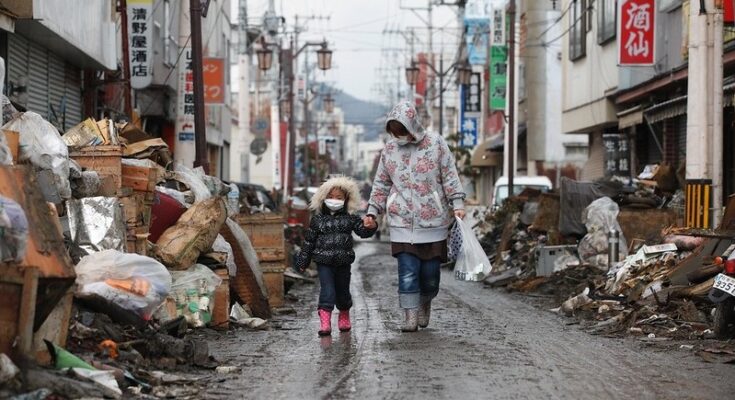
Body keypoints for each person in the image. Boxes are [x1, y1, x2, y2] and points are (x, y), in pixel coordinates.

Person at [364, 101, 466, 332]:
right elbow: (381, 183)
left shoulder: (436, 143)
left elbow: (449, 174)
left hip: (434, 221)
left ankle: (425, 301)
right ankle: (409, 316)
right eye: (394, 130)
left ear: (412, 124)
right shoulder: (389, 150)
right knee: (408, 272)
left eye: (401, 128)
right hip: (401, 222)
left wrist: (457, 203)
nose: (398, 134)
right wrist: (373, 211)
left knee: (430, 276)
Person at [295, 176, 377, 336]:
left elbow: (363, 231)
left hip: (343, 262)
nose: (334, 200)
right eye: (330, 197)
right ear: (323, 198)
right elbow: (309, 242)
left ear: (346, 199)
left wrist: (371, 226)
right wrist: (302, 261)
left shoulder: (350, 218)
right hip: (323, 262)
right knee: (327, 291)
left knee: (343, 291)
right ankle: (325, 322)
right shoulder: (317, 220)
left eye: (338, 197)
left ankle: (344, 315)